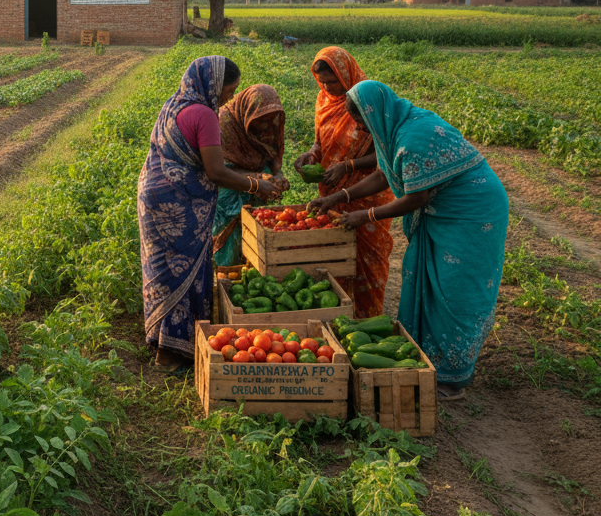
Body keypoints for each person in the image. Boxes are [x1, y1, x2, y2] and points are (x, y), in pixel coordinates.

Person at [309, 81, 508, 401]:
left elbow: (418, 196)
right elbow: (385, 175)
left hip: (473, 214)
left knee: (455, 290)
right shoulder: (397, 124)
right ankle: (433, 360)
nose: (359, 128)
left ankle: (454, 377)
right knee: (433, 283)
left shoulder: (412, 138)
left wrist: (367, 215)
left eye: (360, 121)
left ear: (373, 112)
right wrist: (338, 197)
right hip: (446, 210)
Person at [137, 55, 278, 373]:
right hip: (177, 203)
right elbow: (216, 171)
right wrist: (257, 186)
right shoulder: (204, 115)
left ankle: (163, 342)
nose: (230, 96)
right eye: (229, 89)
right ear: (213, 85)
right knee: (182, 271)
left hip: (153, 196)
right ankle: (173, 354)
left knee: (164, 272)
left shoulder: (175, 104)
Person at [293, 47, 396, 317]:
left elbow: (385, 155)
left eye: (333, 81)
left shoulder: (367, 101)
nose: (329, 87)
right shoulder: (324, 100)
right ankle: (338, 314)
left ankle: (367, 317)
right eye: (323, 83)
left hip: (369, 189)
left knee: (366, 258)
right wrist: (313, 154)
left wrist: (348, 165)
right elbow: (320, 139)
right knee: (334, 253)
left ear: (346, 73)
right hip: (333, 187)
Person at [211, 84, 289, 266]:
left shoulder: (272, 123)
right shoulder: (224, 125)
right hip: (227, 180)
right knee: (232, 218)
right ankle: (228, 267)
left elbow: (270, 158)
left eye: (271, 120)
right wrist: (256, 180)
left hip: (256, 176)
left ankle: (254, 262)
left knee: (259, 221)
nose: (267, 126)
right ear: (247, 114)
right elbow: (219, 171)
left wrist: (277, 178)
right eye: (262, 121)